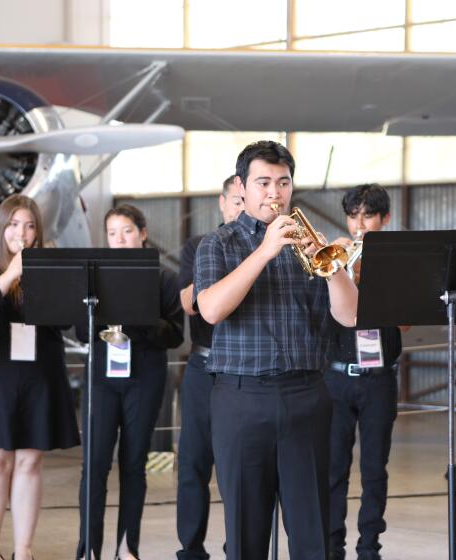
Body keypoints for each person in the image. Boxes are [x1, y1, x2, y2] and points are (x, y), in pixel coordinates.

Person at [194, 140, 358, 560]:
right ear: (241, 187)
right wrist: (266, 250)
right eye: (263, 182)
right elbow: (210, 309)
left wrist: (332, 269)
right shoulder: (219, 244)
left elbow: (350, 316)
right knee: (246, 534)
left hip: (306, 395)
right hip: (241, 399)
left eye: (283, 182)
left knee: (312, 533)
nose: (274, 192)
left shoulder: (307, 243)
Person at [0, 194, 81, 560]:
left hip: (38, 372)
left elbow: (63, 319)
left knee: (30, 461)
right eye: (13, 224)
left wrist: (47, 274)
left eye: (29, 225)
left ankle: (24, 552)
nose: (21, 232)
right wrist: (11, 275)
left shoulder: (43, 266)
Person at [76, 204, 184, 560]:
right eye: (112, 233)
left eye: (126, 231)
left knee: (134, 463)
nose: (119, 239)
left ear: (142, 233)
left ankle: (127, 548)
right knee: (94, 464)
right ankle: (88, 549)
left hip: (145, 376)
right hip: (101, 376)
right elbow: (80, 329)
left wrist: (134, 319)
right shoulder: (94, 276)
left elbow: (174, 334)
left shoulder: (164, 278)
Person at [324, 184, 403, 560]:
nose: (359, 224)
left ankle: (369, 546)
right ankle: (332, 544)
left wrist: (372, 275)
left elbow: (403, 324)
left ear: (384, 219)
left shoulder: (395, 261)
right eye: (353, 216)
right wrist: (339, 271)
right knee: (333, 468)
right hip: (337, 376)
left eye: (367, 216)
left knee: (375, 468)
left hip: (379, 377)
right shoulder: (336, 257)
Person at [176, 174, 243, 560]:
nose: (238, 208)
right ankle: (190, 549)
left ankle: (239, 547)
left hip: (244, 370)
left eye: (243, 200)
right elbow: (189, 302)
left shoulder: (263, 246)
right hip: (204, 365)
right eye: (233, 201)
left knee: (240, 468)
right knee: (194, 463)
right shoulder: (199, 246)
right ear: (222, 203)